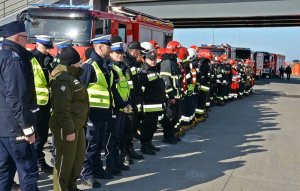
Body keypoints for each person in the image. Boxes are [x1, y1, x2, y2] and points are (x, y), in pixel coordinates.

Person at [80, 35, 125, 188]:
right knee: (90, 146)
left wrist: (122, 104)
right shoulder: (89, 66)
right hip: (91, 114)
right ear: (100, 47)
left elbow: (110, 89)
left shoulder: (105, 66)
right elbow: (79, 92)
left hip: (103, 114)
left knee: (99, 145)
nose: (111, 49)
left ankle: (97, 169)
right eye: (108, 46)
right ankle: (86, 175)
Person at [0, 21, 39, 191]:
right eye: (25, 38)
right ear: (16, 38)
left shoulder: (2, 56)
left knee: (4, 172)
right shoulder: (14, 59)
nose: (27, 42)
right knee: (28, 171)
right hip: (16, 127)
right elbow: (17, 97)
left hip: (3, 127)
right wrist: (27, 128)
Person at [49, 47, 89, 191]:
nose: (81, 64)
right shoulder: (63, 79)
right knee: (65, 161)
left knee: (77, 159)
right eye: (79, 62)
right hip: (66, 127)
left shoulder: (71, 76)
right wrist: (69, 130)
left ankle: (71, 186)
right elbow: (61, 109)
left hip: (77, 125)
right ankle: (61, 188)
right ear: (72, 64)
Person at [31, 35, 54, 173]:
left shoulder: (49, 59)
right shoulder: (30, 59)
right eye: (45, 47)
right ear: (38, 44)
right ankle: (35, 163)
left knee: (43, 136)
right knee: (36, 137)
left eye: (48, 48)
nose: (47, 50)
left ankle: (40, 161)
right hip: (35, 105)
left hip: (46, 104)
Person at [139, 42, 166, 155]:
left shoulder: (154, 69)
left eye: (154, 59)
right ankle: (144, 146)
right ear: (146, 59)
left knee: (153, 126)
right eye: (151, 59)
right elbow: (142, 89)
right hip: (148, 104)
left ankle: (149, 143)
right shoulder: (144, 70)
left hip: (156, 104)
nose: (153, 61)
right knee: (147, 126)